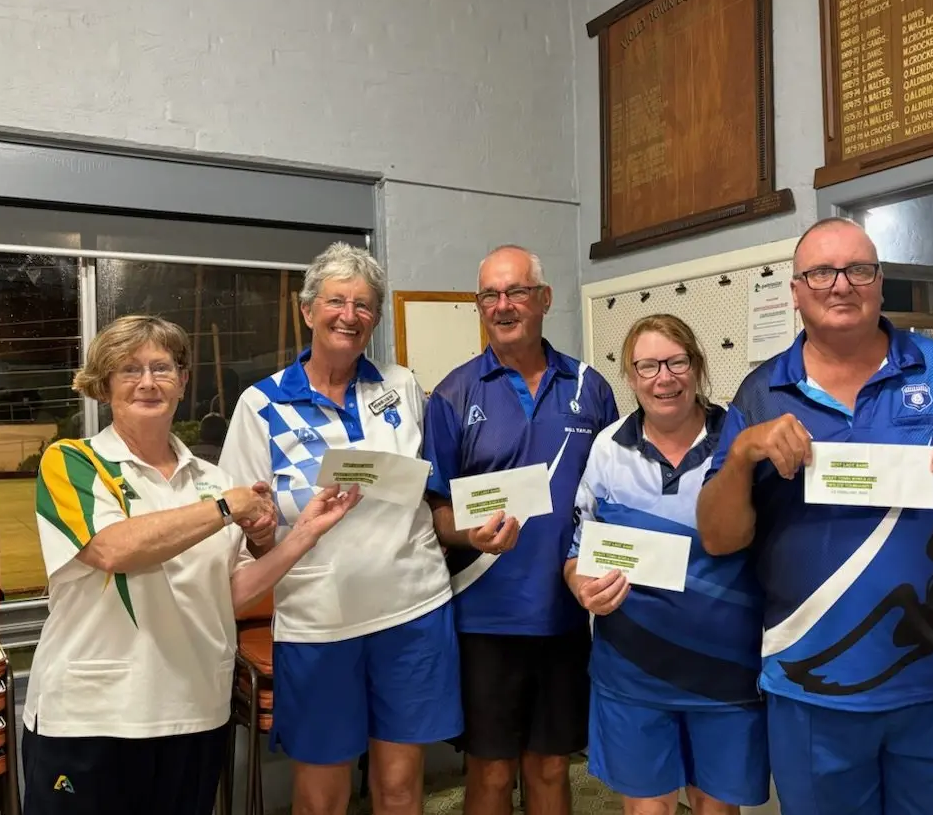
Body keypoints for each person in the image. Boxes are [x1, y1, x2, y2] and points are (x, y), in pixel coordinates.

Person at [697, 218, 933, 815]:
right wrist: (741, 454)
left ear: (880, 283)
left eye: (858, 270)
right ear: (796, 291)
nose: (841, 285)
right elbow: (718, 537)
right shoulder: (760, 393)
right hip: (812, 682)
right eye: (820, 273)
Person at [22, 314, 360, 815]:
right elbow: (113, 549)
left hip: (195, 709)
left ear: (182, 382)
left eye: (162, 368)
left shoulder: (213, 478)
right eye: (129, 369)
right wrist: (225, 509)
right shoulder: (73, 462)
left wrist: (305, 533)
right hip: (94, 715)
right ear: (104, 384)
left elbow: (230, 594)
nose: (147, 382)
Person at [218, 242, 464, 815]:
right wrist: (261, 533)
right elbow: (240, 521)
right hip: (318, 623)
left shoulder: (401, 386)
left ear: (374, 319)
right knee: (322, 797)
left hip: (413, 611)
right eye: (335, 301)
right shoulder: (261, 405)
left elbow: (430, 487)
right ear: (308, 311)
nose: (349, 315)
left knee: (400, 788)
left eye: (363, 305)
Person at [424, 244, 619, 815]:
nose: (502, 305)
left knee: (552, 767)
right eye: (490, 295)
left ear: (545, 299)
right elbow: (436, 510)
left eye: (516, 292)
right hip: (484, 617)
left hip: (564, 614)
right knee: (489, 772)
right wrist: (469, 535)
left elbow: (610, 494)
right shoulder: (453, 393)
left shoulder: (590, 387)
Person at [564, 315, 768, 815]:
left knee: (715, 808)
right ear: (630, 377)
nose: (664, 378)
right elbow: (579, 549)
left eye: (677, 362)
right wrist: (582, 586)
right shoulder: (608, 448)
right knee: (647, 809)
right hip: (632, 671)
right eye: (648, 366)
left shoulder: (741, 438)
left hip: (727, 671)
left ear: (696, 366)